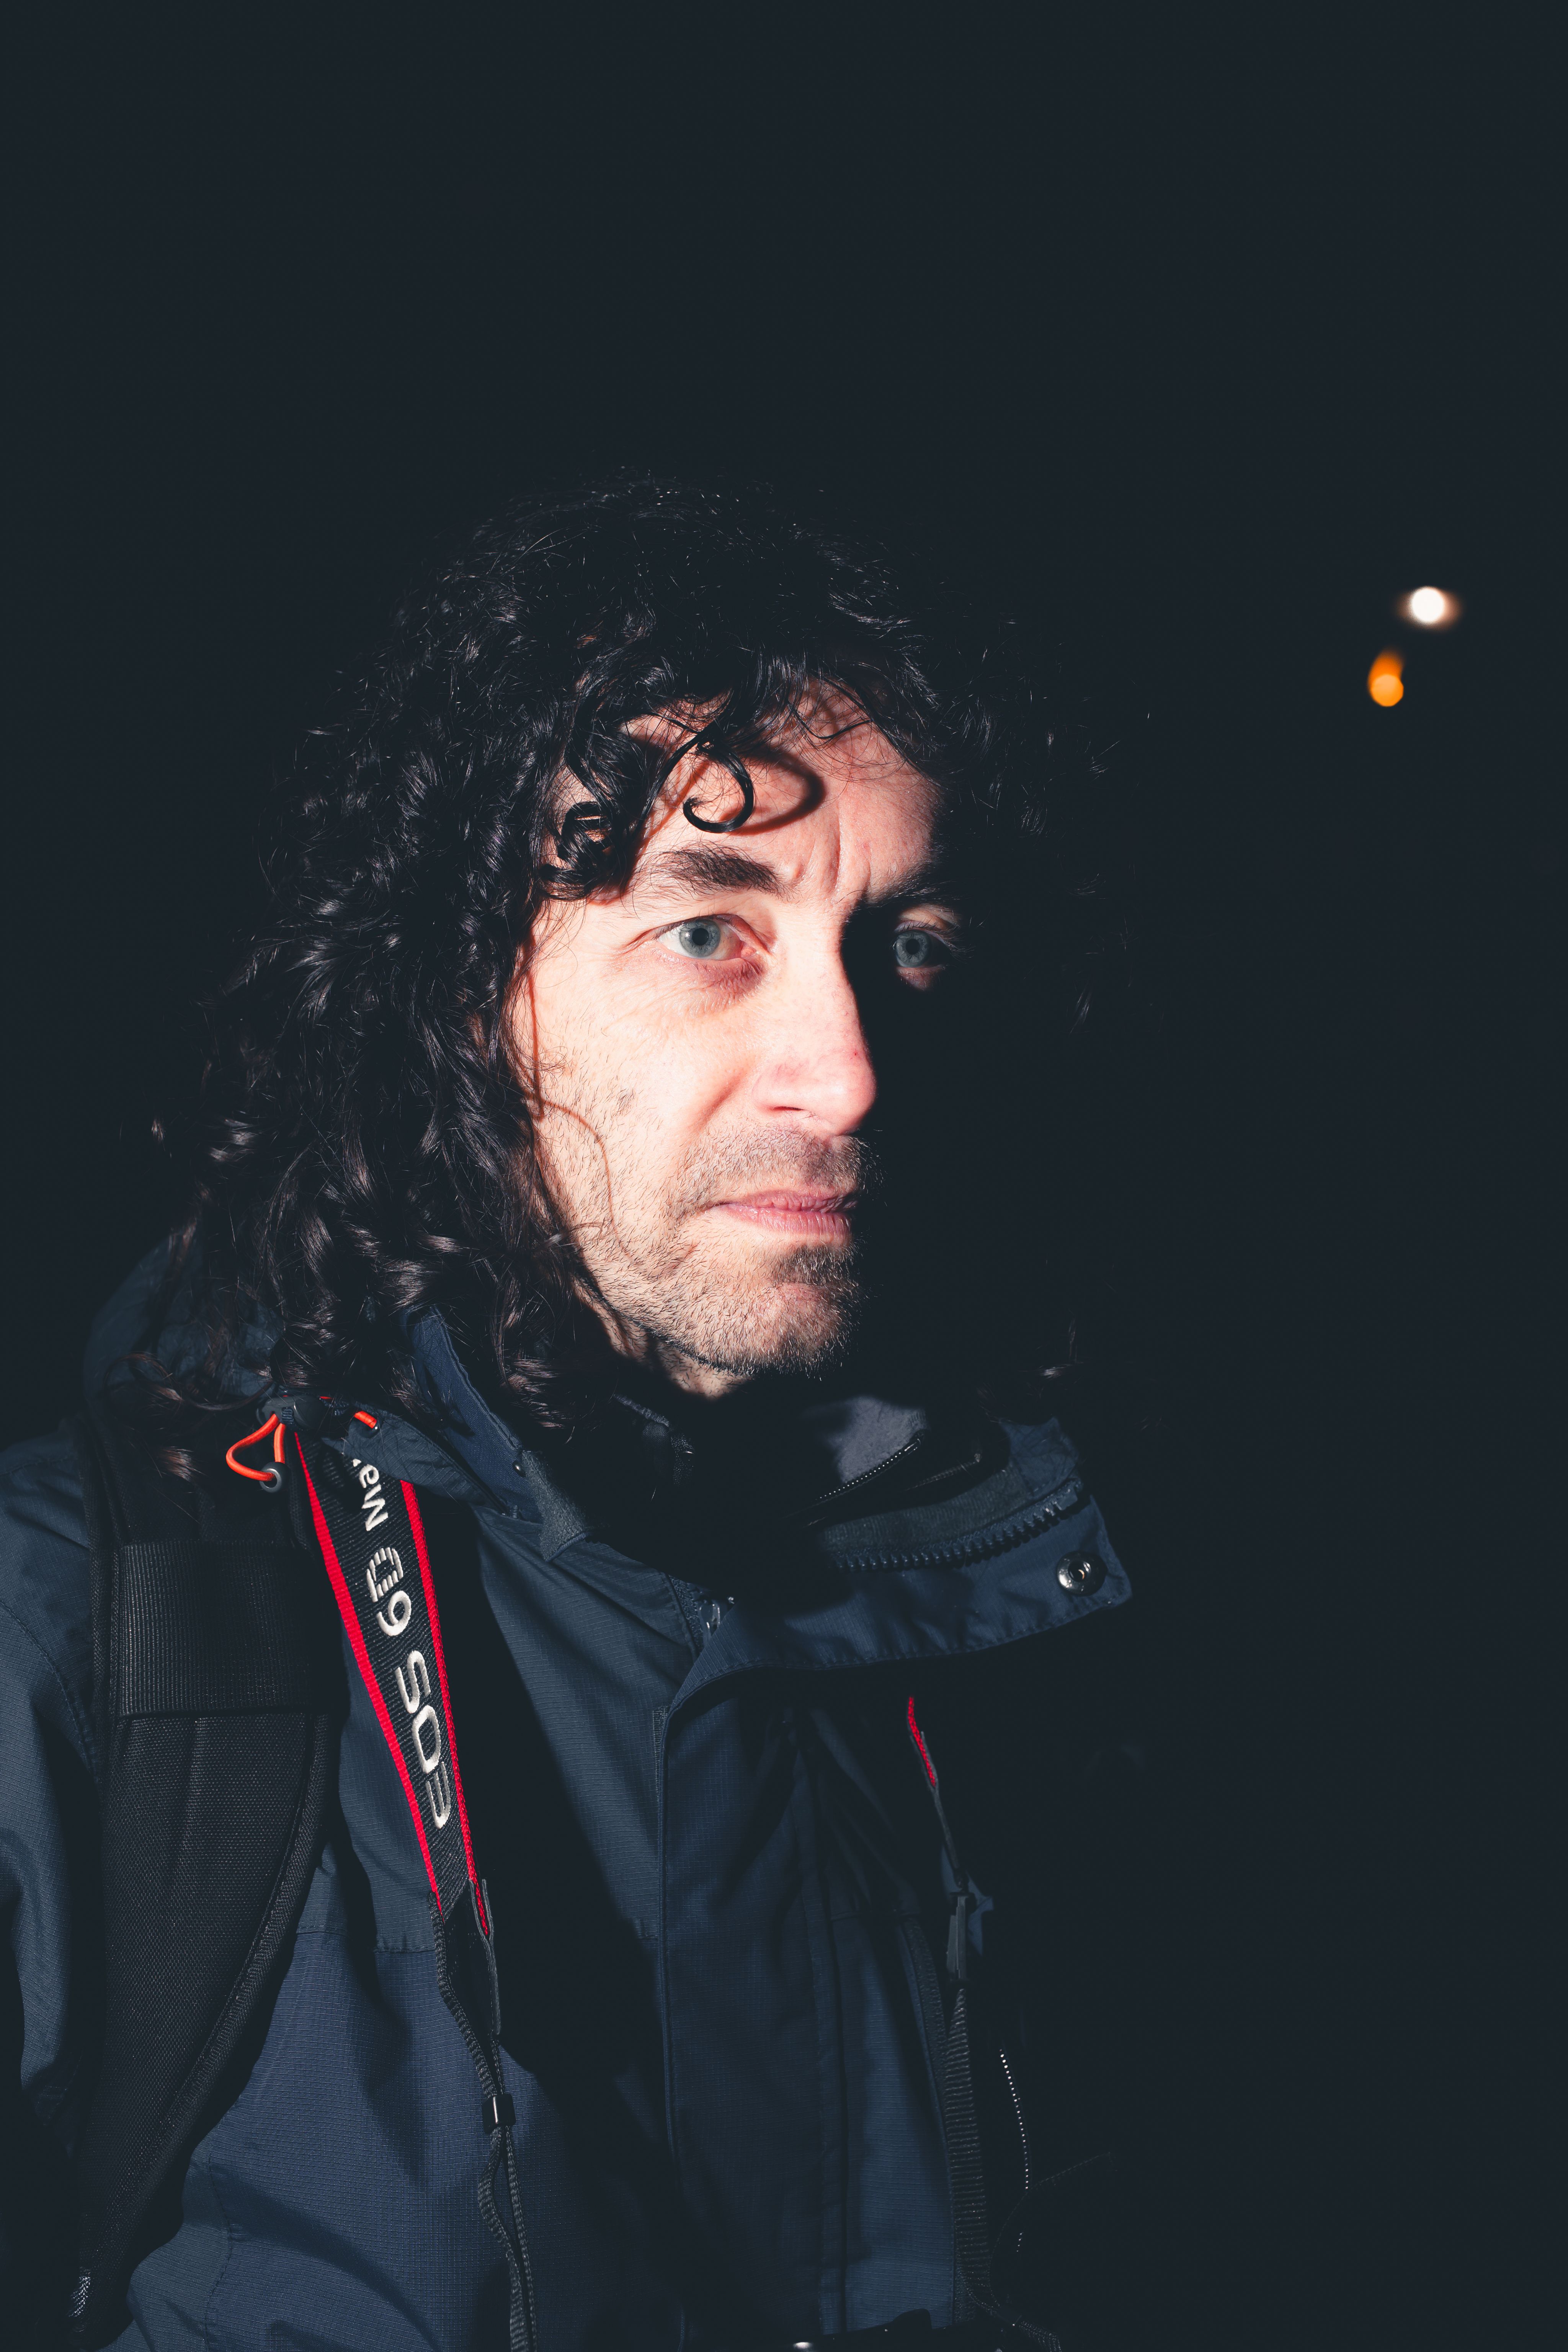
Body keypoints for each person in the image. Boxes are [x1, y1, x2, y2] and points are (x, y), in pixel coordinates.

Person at [0, 482, 1146, 2351]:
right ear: (463, 992)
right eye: (708, 932)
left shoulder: (1035, 1604)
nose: (848, 1073)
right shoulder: (77, 1636)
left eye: (912, 941)